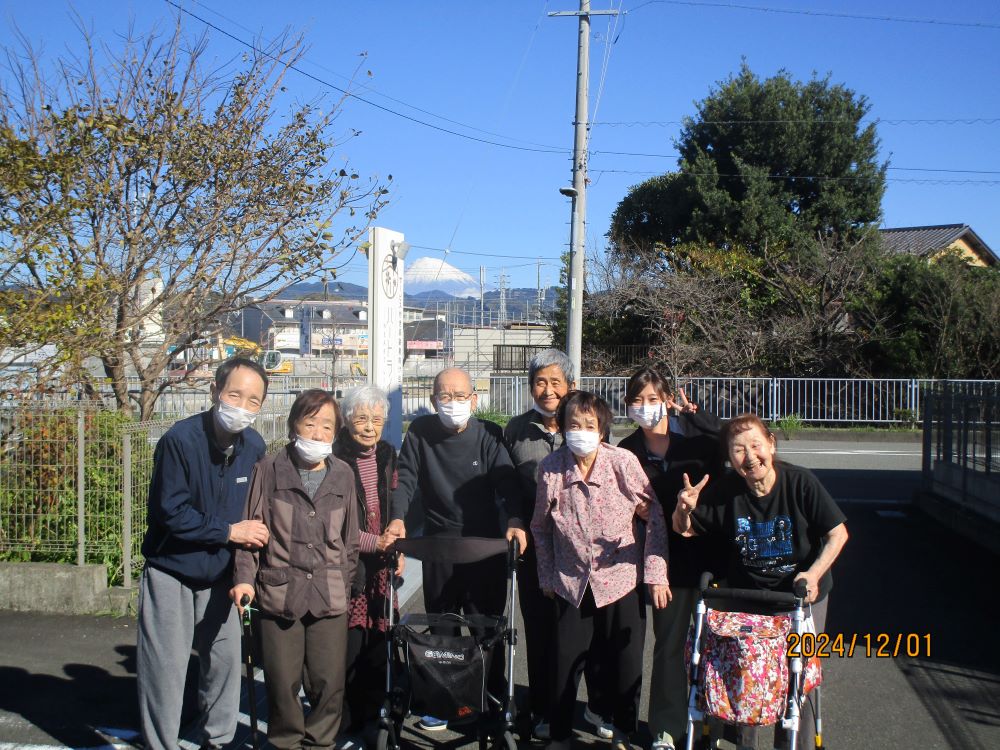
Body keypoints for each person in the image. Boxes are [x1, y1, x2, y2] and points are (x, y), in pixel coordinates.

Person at [673, 412, 849, 750]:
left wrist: (813, 574)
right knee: (746, 675)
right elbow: (685, 529)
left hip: (802, 595)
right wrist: (684, 508)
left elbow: (837, 534)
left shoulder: (800, 483)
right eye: (738, 450)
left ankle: (795, 745)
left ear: (771, 443)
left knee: (799, 677)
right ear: (730, 458)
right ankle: (745, 744)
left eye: (756, 445)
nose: (750, 456)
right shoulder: (727, 491)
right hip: (749, 596)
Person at [137, 357, 269, 750]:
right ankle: (159, 744)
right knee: (165, 672)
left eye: (253, 400)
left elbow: (258, 510)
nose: (242, 407)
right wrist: (230, 531)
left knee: (226, 668)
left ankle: (220, 741)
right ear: (214, 392)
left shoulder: (255, 447)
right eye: (234, 395)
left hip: (223, 576)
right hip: (171, 571)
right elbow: (171, 512)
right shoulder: (180, 441)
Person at [385, 367, 527, 732]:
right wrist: (398, 518)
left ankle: (491, 698)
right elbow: (407, 478)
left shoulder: (489, 435)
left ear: (474, 400)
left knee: (487, 627)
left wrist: (514, 517)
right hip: (440, 542)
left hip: (484, 544)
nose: (452, 404)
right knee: (441, 626)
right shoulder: (420, 433)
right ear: (433, 401)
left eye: (459, 396)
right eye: (443, 397)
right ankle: (443, 700)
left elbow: (507, 480)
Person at [532, 390, 670, 750]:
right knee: (563, 663)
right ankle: (560, 734)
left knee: (625, 662)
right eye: (573, 424)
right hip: (570, 580)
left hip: (620, 579)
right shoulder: (551, 468)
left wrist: (655, 571)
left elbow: (652, 513)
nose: (581, 431)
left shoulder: (622, 462)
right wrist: (546, 575)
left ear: (602, 428)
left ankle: (624, 732)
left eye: (589, 425)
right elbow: (540, 528)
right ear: (562, 427)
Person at [231, 389, 359, 750]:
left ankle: (320, 744)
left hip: (329, 595)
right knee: (281, 683)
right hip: (278, 593)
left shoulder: (344, 475)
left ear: (336, 433)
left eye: (327, 426)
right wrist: (244, 580)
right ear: (293, 425)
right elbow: (251, 532)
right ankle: (285, 743)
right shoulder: (268, 469)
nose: (318, 433)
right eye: (310, 423)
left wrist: (343, 584)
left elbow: (349, 542)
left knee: (328, 684)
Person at [616, 368, 726, 750]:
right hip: (665, 563)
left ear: (667, 399)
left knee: (717, 647)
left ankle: (713, 727)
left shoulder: (699, 440)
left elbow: (740, 444)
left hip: (712, 558)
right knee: (670, 647)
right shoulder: (626, 451)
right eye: (637, 400)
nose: (645, 408)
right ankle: (666, 728)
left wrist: (700, 417)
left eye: (652, 399)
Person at [330, 384, 403, 741]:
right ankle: (344, 719)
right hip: (349, 564)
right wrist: (376, 542)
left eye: (377, 419)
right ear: (346, 420)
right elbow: (334, 525)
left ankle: (375, 714)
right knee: (348, 645)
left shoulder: (388, 453)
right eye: (361, 419)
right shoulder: (333, 458)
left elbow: (395, 501)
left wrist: (396, 546)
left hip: (382, 564)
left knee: (380, 640)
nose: (369, 426)